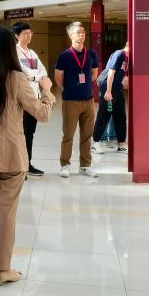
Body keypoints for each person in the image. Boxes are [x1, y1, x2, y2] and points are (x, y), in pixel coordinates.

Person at [0, 27, 54, 285]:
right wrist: (47, 91)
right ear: (10, 50)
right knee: (7, 213)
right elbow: (42, 114)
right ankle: (5, 269)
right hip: (11, 155)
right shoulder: (18, 79)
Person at [54, 21, 98, 179]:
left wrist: (85, 86)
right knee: (68, 135)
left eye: (83, 32)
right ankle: (65, 165)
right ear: (70, 35)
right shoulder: (64, 55)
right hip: (70, 101)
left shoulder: (91, 53)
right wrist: (68, 88)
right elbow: (58, 77)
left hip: (88, 100)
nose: (82, 34)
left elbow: (94, 73)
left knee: (87, 135)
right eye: (78, 32)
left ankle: (85, 166)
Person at [12, 21, 48, 177]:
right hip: (22, 98)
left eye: (30, 33)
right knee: (21, 133)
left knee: (30, 133)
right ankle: (20, 166)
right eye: (25, 33)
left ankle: (28, 164)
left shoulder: (32, 53)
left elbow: (43, 71)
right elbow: (24, 72)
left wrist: (35, 76)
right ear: (17, 35)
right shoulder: (15, 52)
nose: (29, 36)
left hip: (35, 98)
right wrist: (36, 76)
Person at [95, 41, 129, 153]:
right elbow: (111, 72)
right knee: (104, 115)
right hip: (108, 89)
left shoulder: (128, 58)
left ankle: (121, 144)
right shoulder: (119, 54)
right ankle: (96, 143)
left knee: (121, 117)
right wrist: (108, 91)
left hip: (117, 89)